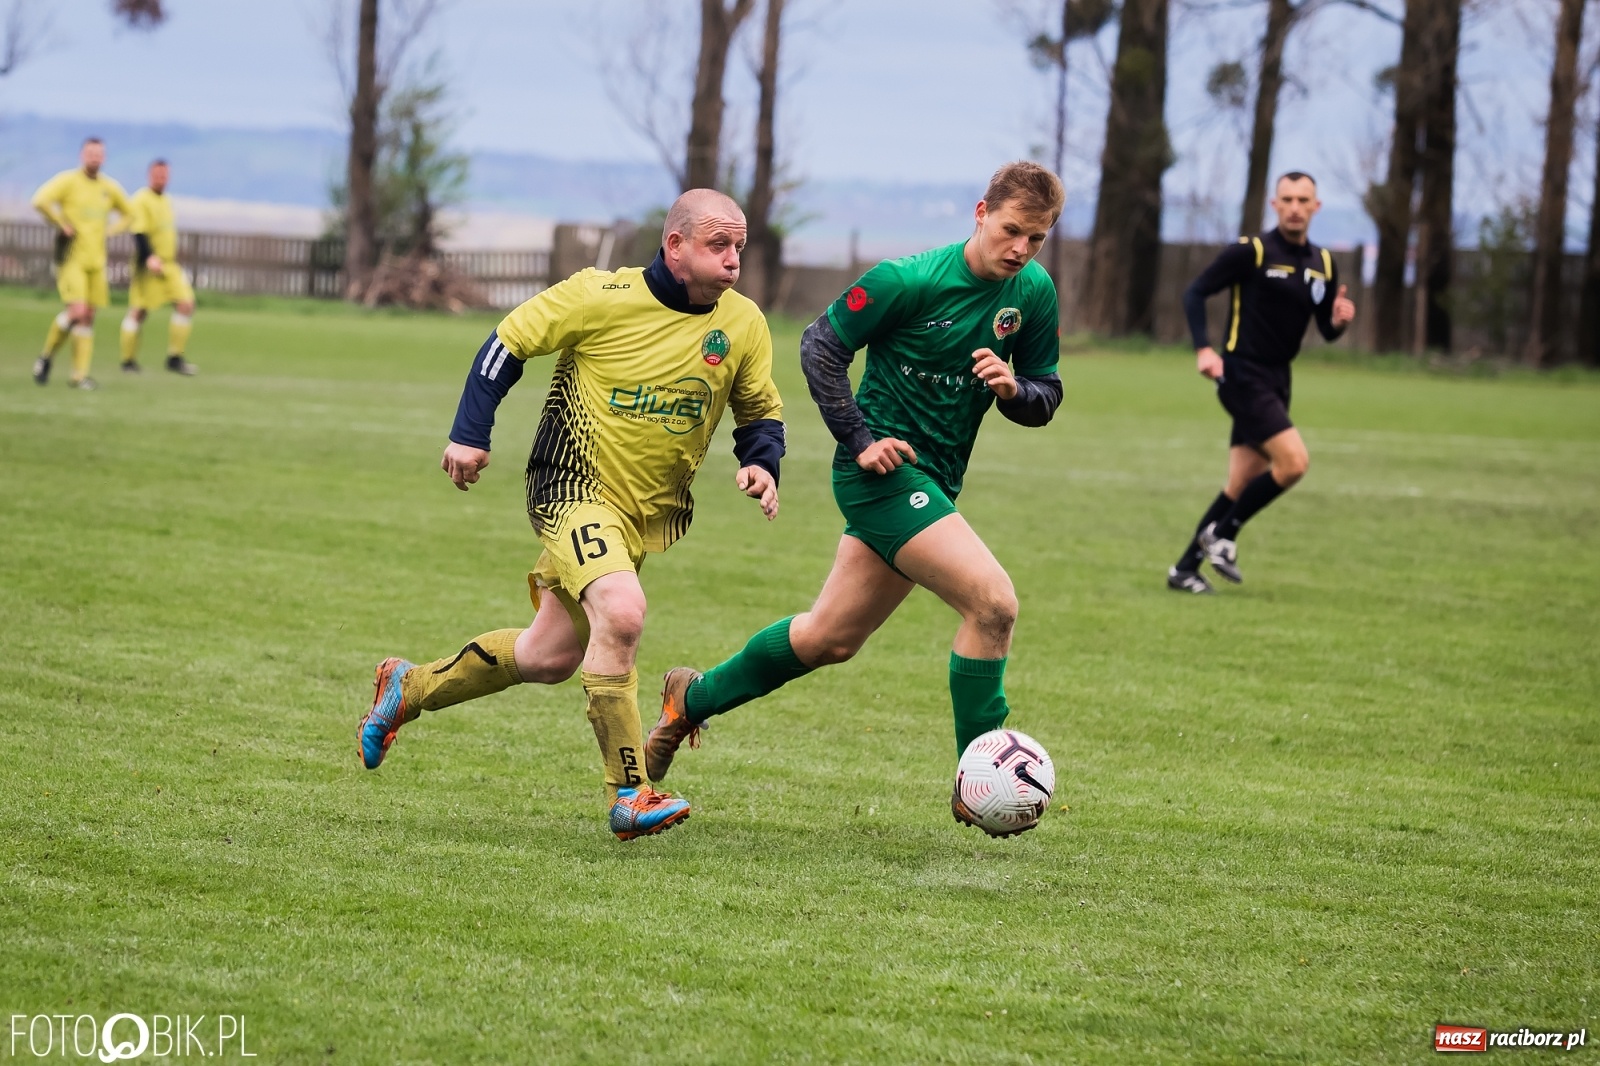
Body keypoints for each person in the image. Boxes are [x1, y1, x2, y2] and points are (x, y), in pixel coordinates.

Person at [645, 161, 1066, 836]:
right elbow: (820, 347)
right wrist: (862, 440)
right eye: (1012, 230)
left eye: (1037, 239)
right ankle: (978, 777)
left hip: (934, 483)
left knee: (829, 637)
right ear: (982, 211)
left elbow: (1046, 393)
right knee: (993, 605)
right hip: (880, 476)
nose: (1020, 249)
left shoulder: (1034, 293)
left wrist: (1015, 392)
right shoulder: (907, 280)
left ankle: (688, 700)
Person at [356, 189, 786, 842]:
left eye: (739, 247)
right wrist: (470, 433)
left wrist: (763, 463)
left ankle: (407, 689)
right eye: (717, 245)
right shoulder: (600, 296)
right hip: (571, 488)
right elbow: (506, 343)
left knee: (550, 654)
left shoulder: (744, 324)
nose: (733, 259)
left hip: (640, 517)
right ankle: (631, 793)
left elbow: (759, 408)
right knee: (623, 610)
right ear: (676, 246)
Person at [1166, 171, 1357, 593]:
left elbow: (1325, 329)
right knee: (1294, 463)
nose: (1294, 207)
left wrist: (1340, 321)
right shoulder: (1251, 251)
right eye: (1286, 198)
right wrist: (1203, 349)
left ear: (1316, 207)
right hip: (1242, 374)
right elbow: (1195, 293)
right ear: (1274, 204)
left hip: (1278, 379)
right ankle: (1224, 535)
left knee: (1240, 483)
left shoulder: (1323, 263)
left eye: (1303, 199)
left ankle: (1184, 570)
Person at [31, 137, 133, 390]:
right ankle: (46, 357)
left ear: (104, 158)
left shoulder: (109, 188)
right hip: (71, 259)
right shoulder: (68, 181)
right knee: (77, 312)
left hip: (96, 261)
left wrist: (112, 230)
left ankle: (79, 376)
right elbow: (40, 200)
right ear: (82, 155)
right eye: (90, 153)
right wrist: (60, 223)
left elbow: (130, 214)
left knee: (87, 317)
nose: (94, 158)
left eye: (99, 154)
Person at [121, 159, 199, 376]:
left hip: (169, 264)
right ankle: (128, 361)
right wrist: (149, 257)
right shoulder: (141, 199)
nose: (161, 179)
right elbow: (139, 232)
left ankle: (175, 358)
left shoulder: (166, 200)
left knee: (186, 303)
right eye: (157, 175)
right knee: (139, 310)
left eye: (165, 175)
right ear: (149, 175)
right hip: (148, 264)